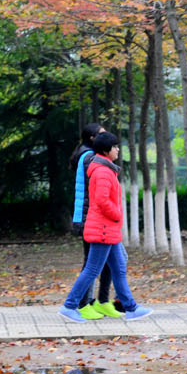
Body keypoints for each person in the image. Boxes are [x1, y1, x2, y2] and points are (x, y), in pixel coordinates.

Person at [61, 131, 150, 322]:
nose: (118, 150)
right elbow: (101, 200)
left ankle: (131, 308)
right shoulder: (102, 171)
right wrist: (117, 214)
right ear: (105, 150)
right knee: (92, 269)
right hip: (102, 228)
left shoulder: (106, 168)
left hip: (108, 228)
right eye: (115, 147)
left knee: (118, 268)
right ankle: (69, 306)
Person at [70, 124, 116, 319]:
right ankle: (82, 303)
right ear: (92, 138)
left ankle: (101, 301)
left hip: (93, 217)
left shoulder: (87, 154)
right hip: (91, 218)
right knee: (92, 263)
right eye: (102, 135)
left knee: (108, 262)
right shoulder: (89, 157)